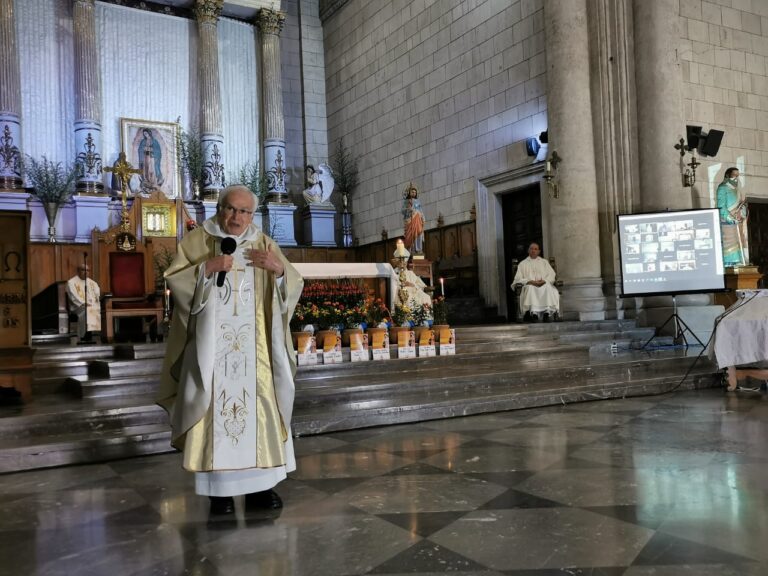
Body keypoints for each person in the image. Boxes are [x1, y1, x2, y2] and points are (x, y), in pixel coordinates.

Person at [157, 185, 303, 516]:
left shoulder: (264, 243)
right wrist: (205, 270)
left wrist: (278, 271)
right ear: (220, 208)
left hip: (256, 352)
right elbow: (175, 283)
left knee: (262, 406)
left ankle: (261, 489)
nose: (236, 217)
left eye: (243, 211)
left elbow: (292, 282)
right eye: (230, 209)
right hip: (213, 350)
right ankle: (219, 495)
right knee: (213, 408)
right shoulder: (198, 241)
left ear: (253, 214)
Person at [512, 242, 560, 322]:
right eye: (531, 249)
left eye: (535, 249)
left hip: (544, 283)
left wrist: (544, 281)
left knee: (547, 287)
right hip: (530, 284)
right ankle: (534, 314)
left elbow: (552, 274)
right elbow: (518, 279)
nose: (533, 251)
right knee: (531, 288)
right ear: (528, 250)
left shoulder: (544, 262)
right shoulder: (522, 264)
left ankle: (547, 313)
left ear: (539, 251)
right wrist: (530, 281)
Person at [716, 167, 749, 267]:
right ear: (727, 176)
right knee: (729, 243)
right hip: (727, 222)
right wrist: (730, 219)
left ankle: (739, 261)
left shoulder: (737, 190)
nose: (736, 178)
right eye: (734, 175)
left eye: (737, 176)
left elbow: (740, 205)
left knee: (739, 243)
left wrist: (742, 213)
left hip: (737, 222)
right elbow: (721, 207)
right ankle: (729, 263)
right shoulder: (722, 188)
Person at [66, 264, 101, 340]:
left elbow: (97, 296)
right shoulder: (71, 282)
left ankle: (97, 336)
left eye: (88, 270)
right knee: (87, 310)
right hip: (77, 307)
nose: (86, 272)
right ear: (78, 271)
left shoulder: (93, 283)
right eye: (83, 270)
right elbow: (73, 297)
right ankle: (83, 336)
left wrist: (94, 304)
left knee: (97, 309)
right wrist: (84, 303)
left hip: (91, 306)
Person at [402, 184, 424, 254]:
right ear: (409, 192)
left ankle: (418, 249)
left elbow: (420, 210)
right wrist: (409, 210)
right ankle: (412, 250)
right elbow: (402, 211)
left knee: (418, 233)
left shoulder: (418, 201)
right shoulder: (406, 201)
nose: (414, 193)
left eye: (415, 192)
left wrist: (423, 218)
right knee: (411, 235)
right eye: (412, 192)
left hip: (418, 220)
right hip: (410, 221)